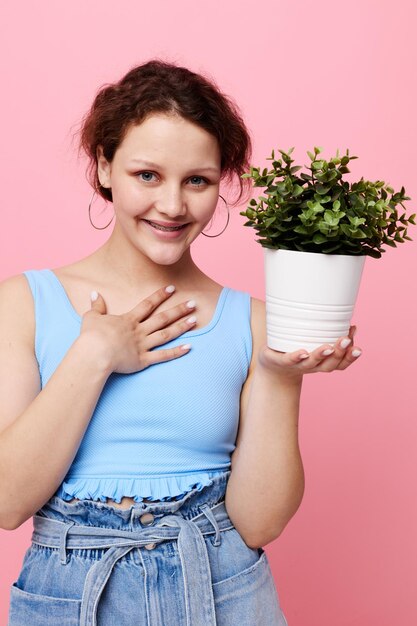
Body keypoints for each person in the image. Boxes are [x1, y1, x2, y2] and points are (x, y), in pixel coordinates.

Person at [0, 58, 361, 626]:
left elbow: (260, 523)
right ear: (103, 166)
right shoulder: (23, 304)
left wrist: (279, 374)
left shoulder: (253, 322)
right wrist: (93, 356)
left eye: (198, 180)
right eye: (147, 175)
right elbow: (7, 501)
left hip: (222, 586)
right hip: (70, 591)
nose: (172, 206)